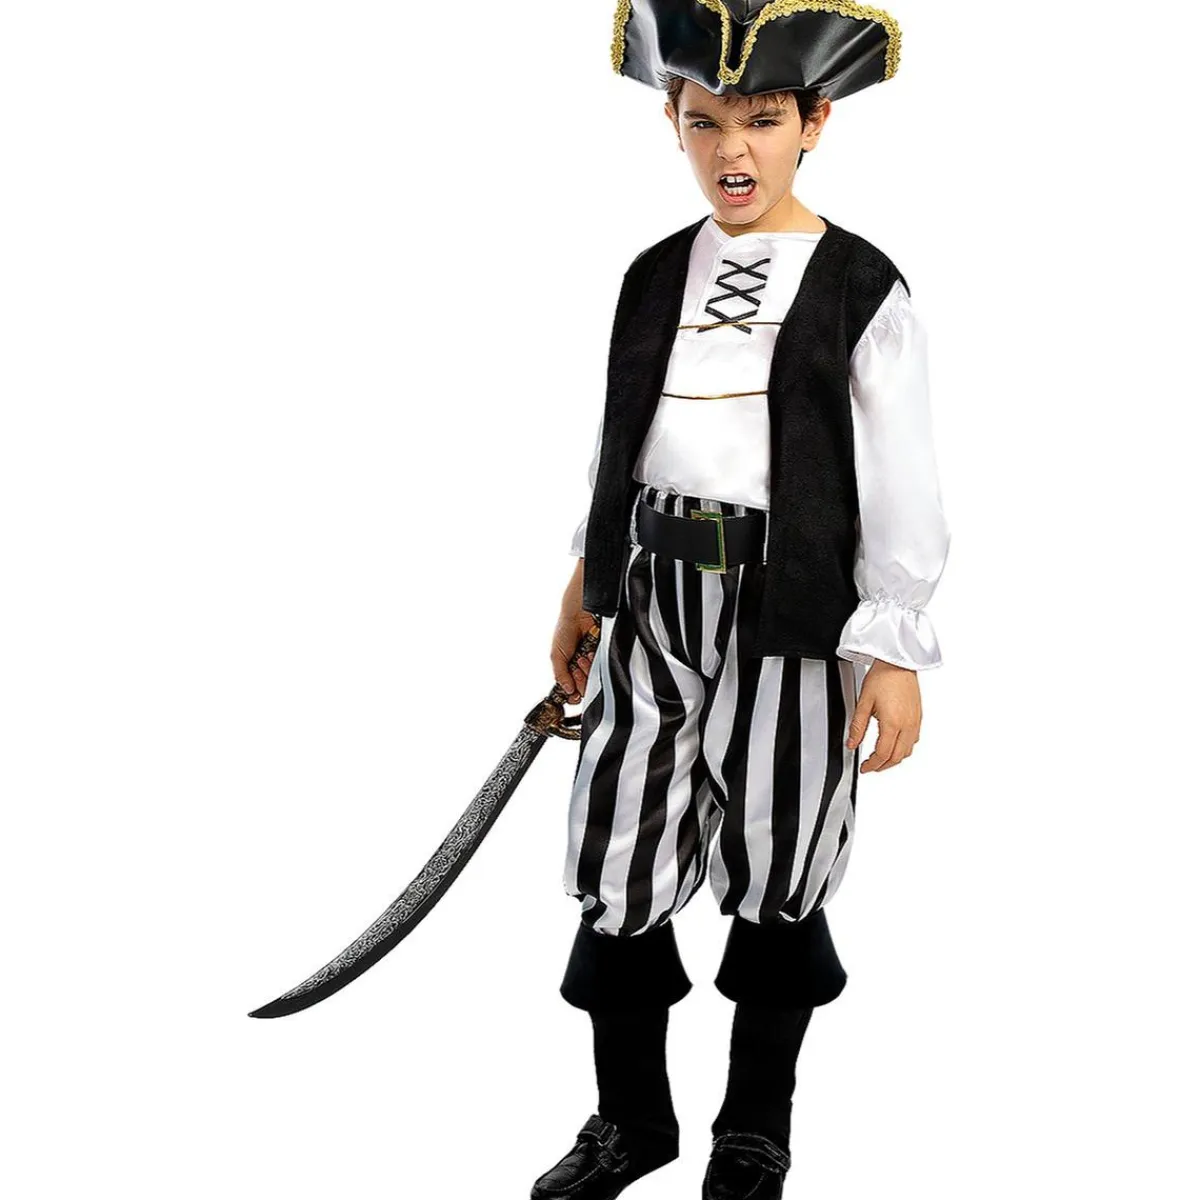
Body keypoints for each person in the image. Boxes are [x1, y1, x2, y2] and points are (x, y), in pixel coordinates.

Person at [536, 5, 948, 1198]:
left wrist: (894, 645)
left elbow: (901, 476)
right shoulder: (653, 275)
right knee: (619, 844)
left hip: (794, 609)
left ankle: (754, 1130)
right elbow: (626, 438)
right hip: (650, 599)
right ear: (672, 122)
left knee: (780, 854)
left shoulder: (861, 286)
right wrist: (586, 581)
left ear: (813, 123)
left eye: (762, 120)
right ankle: (631, 1121)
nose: (733, 149)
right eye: (705, 120)